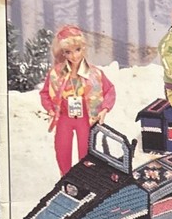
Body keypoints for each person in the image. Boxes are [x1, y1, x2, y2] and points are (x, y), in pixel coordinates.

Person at [40, 25, 116, 175]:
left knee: (86, 151)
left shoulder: (95, 73)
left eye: (77, 50)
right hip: (64, 116)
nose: (74, 56)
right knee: (62, 149)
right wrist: (50, 108)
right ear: (62, 53)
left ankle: (85, 179)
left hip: (86, 117)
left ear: (83, 49)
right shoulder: (56, 73)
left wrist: (104, 109)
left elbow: (110, 90)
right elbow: (45, 93)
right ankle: (66, 178)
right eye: (68, 52)